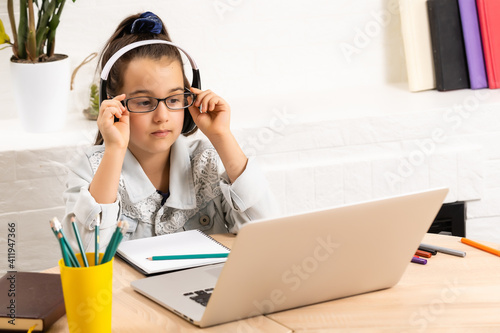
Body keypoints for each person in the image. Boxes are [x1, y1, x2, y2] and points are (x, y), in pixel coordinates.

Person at [62, 12, 279, 252]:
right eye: (144, 102)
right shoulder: (88, 169)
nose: (162, 116)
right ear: (113, 105)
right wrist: (114, 149)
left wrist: (222, 137)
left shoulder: (209, 161)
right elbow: (83, 256)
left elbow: (268, 236)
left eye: (174, 99)